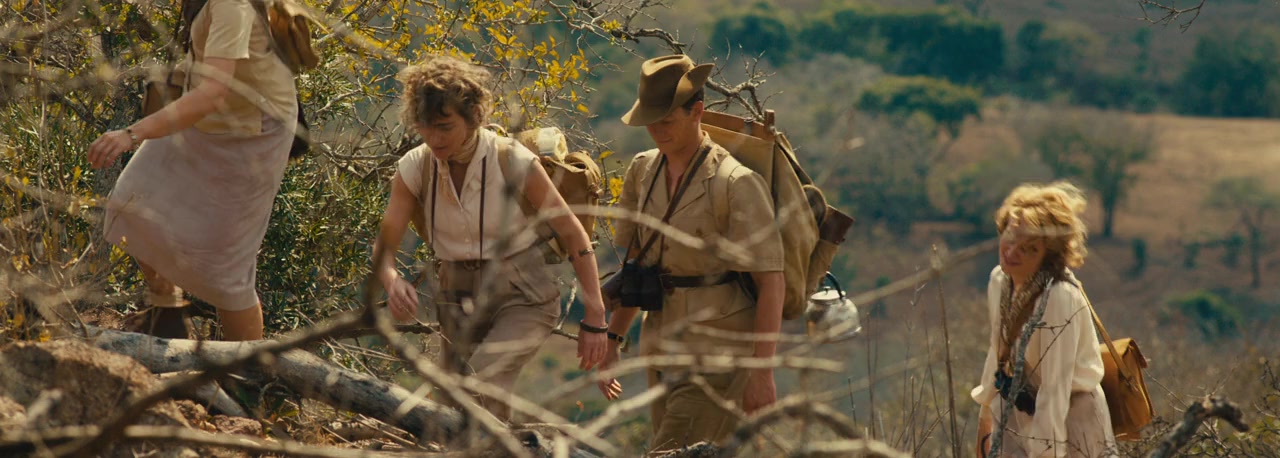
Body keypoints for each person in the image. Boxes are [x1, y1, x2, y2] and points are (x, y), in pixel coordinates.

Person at [371, 56, 608, 422]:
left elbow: (572, 232)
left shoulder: (512, 160)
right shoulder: (416, 166)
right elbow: (385, 246)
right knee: (457, 405)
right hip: (456, 298)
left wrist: (595, 316)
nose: (435, 138)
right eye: (425, 127)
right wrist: (392, 280)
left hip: (524, 295)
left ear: (474, 116)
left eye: (445, 127)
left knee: (480, 383)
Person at [596, 54, 786, 454]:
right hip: (660, 345)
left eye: (666, 120)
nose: (656, 130)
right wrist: (613, 338)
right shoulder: (642, 171)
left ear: (696, 111)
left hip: (719, 348)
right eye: (650, 120)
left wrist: (761, 372)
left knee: (668, 452)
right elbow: (637, 267)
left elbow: (771, 281)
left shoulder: (736, 182)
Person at [87, 0, 299, 341]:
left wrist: (131, 134)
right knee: (130, 201)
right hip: (203, 112)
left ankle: (246, 367)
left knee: (229, 271)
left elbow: (213, 93)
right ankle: (168, 314)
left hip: (251, 132)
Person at [972, 182, 1117, 457]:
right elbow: (997, 352)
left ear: (1049, 254)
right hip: (1019, 409)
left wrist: (1046, 453)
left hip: (1073, 418)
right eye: (1010, 238)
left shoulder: (1058, 296)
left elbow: (1055, 389)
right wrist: (985, 418)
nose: (1012, 252)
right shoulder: (1000, 281)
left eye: (1029, 248)